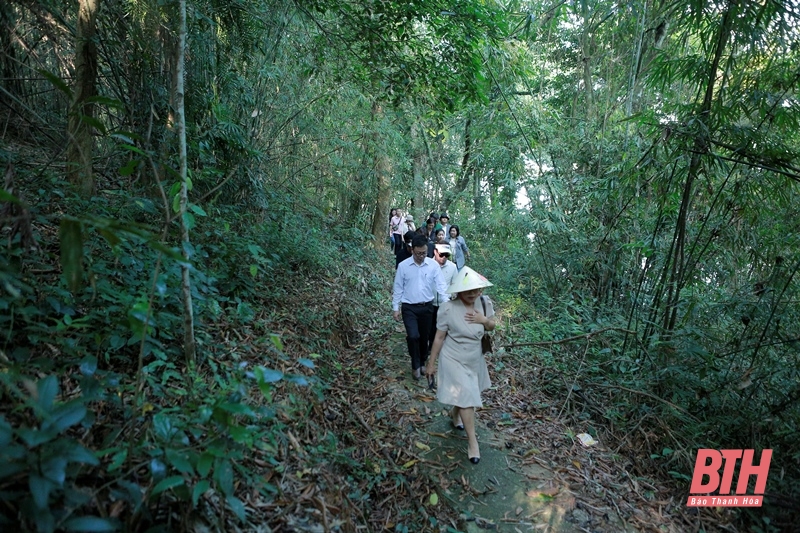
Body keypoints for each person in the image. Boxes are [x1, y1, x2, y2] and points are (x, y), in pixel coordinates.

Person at [425, 266, 495, 464]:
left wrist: (483, 320)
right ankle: (473, 443)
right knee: (467, 398)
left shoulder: (484, 302)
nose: (473, 294)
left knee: (465, 395)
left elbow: (492, 325)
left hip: (474, 357)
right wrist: (431, 364)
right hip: (453, 357)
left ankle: (455, 415)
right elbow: (439, 337)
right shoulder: (448, 308)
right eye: (469, 290)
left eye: (476, 290)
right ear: (458, 290)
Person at [393, 235, 450, 379]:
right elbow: (398, 287)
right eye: (418, 253)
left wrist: (447, 304)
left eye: (424, 253)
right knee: (413, 336)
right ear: (412, 250)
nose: (421, 256)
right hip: (409, 307)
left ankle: (423, 361)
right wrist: (395, 307)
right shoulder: (403, 266)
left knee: (424, 337)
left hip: (427, 307)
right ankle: (415, 364)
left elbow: (441, 286)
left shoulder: (433, 265)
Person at [429, 243, 458, 355]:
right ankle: (428, 348)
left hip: (444, 303)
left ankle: (439, 349)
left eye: (447, 255)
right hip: (429, 302)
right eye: (442, 254)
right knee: (429, 327)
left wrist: (452, 296)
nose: (444, 257)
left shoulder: (452, 267)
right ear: (435, 252)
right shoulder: (427, 264)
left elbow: (455, 284)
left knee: (442, 327)